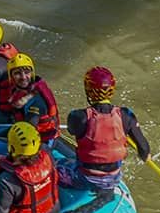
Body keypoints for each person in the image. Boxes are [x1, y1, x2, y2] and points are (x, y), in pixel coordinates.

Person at [58, 66, 150, 195]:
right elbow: (145, 151)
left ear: (89, 91)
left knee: (53, 165)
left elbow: (73, 131)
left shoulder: (78, 116)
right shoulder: (126, 115)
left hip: (86, 178)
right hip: (114, 178)